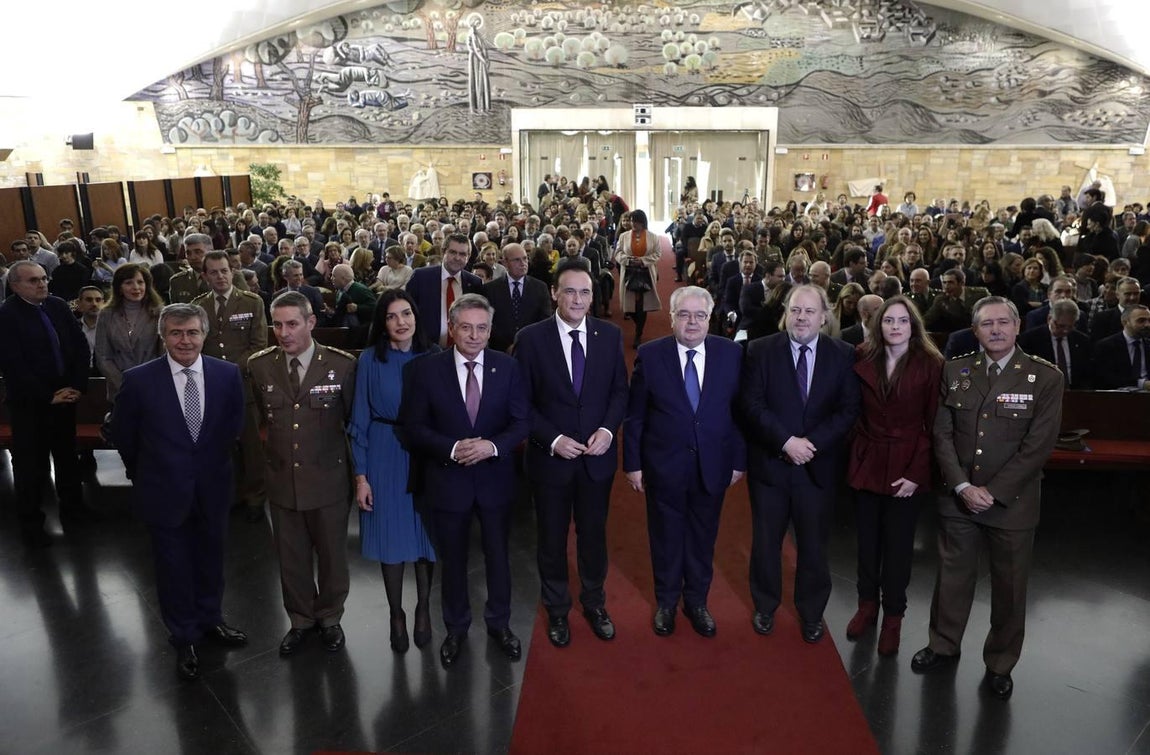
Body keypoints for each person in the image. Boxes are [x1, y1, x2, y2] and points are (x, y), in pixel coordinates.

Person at [911, 296, 1063, 700]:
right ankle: (943, 645)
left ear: (1017, 327)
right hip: (958, 498)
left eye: (1002, 322)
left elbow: (1038, 446)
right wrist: (962, 486)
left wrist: (992, 493)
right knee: (951, 578)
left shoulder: (1044, 378)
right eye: (986, 324)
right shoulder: (956, 370)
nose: (995, 330)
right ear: (974, 331)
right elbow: (941, 433)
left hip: (1012, 503)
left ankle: (1000, 663)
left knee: (1010, 587)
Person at [110, 303, 248, 681]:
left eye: (191, 332)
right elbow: (124, 435)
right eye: (175, 333)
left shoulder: (227, 374)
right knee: (172, 567)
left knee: (211, 560)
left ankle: (210, 620)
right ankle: (184, 635)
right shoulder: (139, 380)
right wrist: (145, 473)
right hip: (161, 490)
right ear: (163, 336)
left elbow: (233, 427)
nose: (184, 340)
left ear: (204, 334)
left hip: (213, 488)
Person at [399, 294, 529, 668]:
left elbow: (521, 421)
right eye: (466, 327)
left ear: (491, 331)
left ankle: (500, 624)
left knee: (499, 558)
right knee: (453, 561)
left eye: (482, 328)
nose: (474, 335)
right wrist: (453, 448)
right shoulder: (424, 370)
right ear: (451, 328)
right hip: (446, 481)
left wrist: (491, 446)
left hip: (495, 480)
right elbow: (413, 429)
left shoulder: (508, 367)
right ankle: (455, 628)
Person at [514, 262, 629, 648]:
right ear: (554, 293)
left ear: (592, 296)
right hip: (550, 461)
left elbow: (619, 393)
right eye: (569, 291)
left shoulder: (610, 336)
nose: (577, 300)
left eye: (584, 292)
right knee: (551, 539)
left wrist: (608, 430)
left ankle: (595, 603)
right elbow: (521, 403)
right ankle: (558, 610)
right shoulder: (530, 339)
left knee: (593, 537)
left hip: (596, 461)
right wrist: (553, 439)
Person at [623, 286, 746, 637]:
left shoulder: (731, 354)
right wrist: (633, 464)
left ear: (710, 319)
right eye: (684, 315)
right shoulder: (651, 354)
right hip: (663, 466)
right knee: (665, 537)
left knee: (702, 538)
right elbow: (636, 417)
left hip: (713, 464)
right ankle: (666, 602)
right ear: (673, 317)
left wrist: (738, 460)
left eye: (700, 315)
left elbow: (738, 414)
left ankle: (697, 602)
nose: (692, 322)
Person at [741, 284, 861, 642]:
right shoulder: (760, 350)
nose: (802, 317)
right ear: (786, 313)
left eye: (810, 311)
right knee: (766, 542)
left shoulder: (843, 354)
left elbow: (848, 409)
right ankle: (765, 606)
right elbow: (751, 405)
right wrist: (786, 442)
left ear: (824, 316)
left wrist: (811, 444)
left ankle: (811, 613)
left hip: (817, 467)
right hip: (771, 466)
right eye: (795, 310)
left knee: (813, 545)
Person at [248, 292, 356, 656]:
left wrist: (360, 478)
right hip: (281, 480)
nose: (283, 332)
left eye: (292, 323)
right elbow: (259, 421)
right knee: (290, 557)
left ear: (311, 322)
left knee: (332, 555)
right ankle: (300, 620)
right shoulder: (260, 365)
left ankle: (330, 616)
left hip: (328, 479)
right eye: (276, 324)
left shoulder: (341, 365)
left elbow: (354, 425)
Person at [846, 296, 943, 656]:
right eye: (889, 321)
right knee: (867, 543)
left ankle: (893, 617)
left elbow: (934, 424)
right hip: (868, 457)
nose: (896, 327)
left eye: (903, 321)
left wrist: (917, 473)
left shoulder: (931, 363)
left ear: (913, 326)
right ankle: (866, 605)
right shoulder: (862, 355)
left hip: (908, 462)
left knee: (899, 547)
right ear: (878, 324)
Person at [349, 289, 439, 654]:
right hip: (385, 451)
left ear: (416, 316)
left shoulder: (435, 356)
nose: (401, 322)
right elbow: (358, 419)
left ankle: (422, 608)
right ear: (382, 324)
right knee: (391, 538)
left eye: (406, 313)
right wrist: (361, 476)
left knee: (426, 539)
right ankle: (396, 613)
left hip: (427, 454)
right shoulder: (370, 360)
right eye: (391, 316)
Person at [0, 261, 92, 547]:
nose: (42, 284)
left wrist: (76, 386)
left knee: (67, 458)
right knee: (31, 465)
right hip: (30, 404)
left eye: (44, 279)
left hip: (65, 397)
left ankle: (74, 511)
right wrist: (47, 396)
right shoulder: (6, 315)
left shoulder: (58, 306)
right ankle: (31, 524)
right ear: (15, 285)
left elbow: (79, 347)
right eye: (33, 281)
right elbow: (13, 364)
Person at [192, 251, 269, 521]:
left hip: (243, 384)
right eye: (213, 272)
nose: (220, 276)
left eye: (224, 270)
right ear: (204, 276)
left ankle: (256, 497)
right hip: (211, 388)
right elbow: (196, 346)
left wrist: (229, 371)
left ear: (232, 271)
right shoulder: (198, 306)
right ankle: (232, 494)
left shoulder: (252, 301)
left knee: (251, 446)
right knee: (221, 445)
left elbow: (259, 345)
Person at [95, 263, 164, 402]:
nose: (136, 287)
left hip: (152, 387)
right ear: (119, 287)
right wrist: (125, 385)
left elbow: (164, 354)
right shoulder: (106, 314)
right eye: (128, 283)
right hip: (120, 390)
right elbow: (103, 357)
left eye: (140, 282)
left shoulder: (159, 313)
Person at [405, 233, 483, 348]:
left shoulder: (475, 283)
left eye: (462, 254)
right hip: (425, 349)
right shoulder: (421, 277)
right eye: (452, 252)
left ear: (469, 256)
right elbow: (407, 312)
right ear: (443, 252)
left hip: (462, 351)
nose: (457, 258)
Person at [482, 242, 552, 352]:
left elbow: (545, 319)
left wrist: (525, 344)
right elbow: (488, 322)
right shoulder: (490, 289)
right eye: (517, 260)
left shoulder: (540, 287)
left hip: (532, 349)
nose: (523, 263)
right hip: (500, 351)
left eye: (525, 259)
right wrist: (507, 346)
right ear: (505, 262)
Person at [615, 210, 667, 348]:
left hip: (646, 274)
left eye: (635, 221)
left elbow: (657, 254)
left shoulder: (653, 237)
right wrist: (628, 260)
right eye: (631, 221)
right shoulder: (623, 236)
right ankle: (638, 324)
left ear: (642, 222)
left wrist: (643, 261)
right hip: (629, 273)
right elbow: (618, 253)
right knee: (630, 307)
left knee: (641, 306)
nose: (633, 224)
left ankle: (638, 333)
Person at [1018, 299, 1092, 388]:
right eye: (1061, 326)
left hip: (1076, 394)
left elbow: (1087, 373)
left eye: (1070, 326)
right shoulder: (1030, 339)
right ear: (1049, 319)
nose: (1065, 330)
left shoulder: (1082, 341)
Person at [1091, 304, 1150, 389]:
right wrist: (1141, 384)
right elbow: (1106, 378)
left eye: (1149, 320)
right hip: (1118, 397)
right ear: (1125, 322)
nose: (1147, 325)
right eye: (1141, 321)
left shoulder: (1148, 345)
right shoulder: (1106, 346)